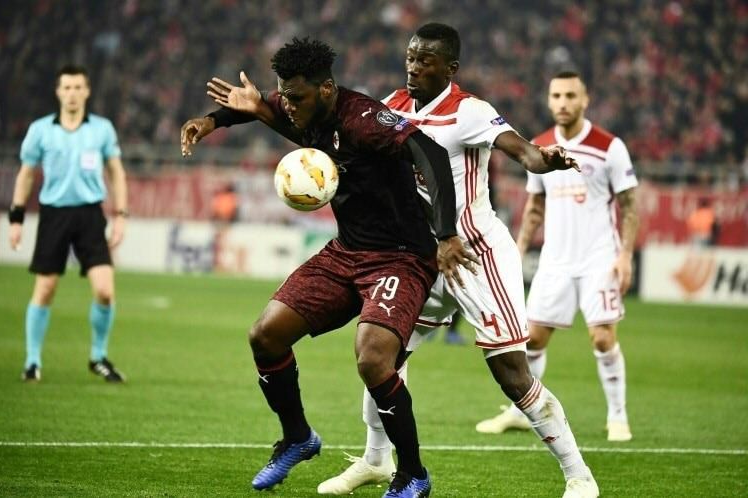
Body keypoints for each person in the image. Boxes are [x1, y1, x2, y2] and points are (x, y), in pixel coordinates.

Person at [180, 37, 478, 498]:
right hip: (346, 252)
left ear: (325, 89)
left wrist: (446, 234)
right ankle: (298, 438)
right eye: (285, 96)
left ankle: (412, 474)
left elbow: (432, 155)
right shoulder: (302, 105)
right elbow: (261, 105)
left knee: (373, 357)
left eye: (296, 98)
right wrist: (212, 121)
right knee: (265, 335)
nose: (288, 106)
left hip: (400, 256)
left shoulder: (364, 119)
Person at [317, 24, 599, 498]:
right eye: (410, 56)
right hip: (421, 259)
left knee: (511, 373)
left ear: (450, 68)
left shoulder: (470, 111)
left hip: (475, 255)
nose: (413, 66)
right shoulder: (391, 106)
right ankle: (376, 461)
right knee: (381, 358)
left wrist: (546, 160)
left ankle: (579, 474)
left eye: (425, 60)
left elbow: (524, 152)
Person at [476, 71, 639, 444]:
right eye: (556, 96)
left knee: (602, 338)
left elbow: (630, 205)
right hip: (555, 260)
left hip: (599, 257)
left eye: (570, 96)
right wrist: (518, 249)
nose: (563, 103)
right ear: (549, 101)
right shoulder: (541, 147)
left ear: (584, 100)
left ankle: (617, 416)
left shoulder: (609, 147)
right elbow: (535, 207)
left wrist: (626, 256)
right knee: (532, 338)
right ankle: (520, 412)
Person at [9, 64, 128, 383]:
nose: (72, 93)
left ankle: (98, 357)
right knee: (45, 288)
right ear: (58, 92)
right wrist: (16, 218)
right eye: (67, 88)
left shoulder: (101, 129)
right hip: (54, 215)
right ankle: (32, 361)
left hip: (90, 215)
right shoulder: (40, 130)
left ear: (86, 92)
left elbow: (116, 172)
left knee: (105, 291)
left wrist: (121, 215)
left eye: (78, 87)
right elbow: (26, 174)